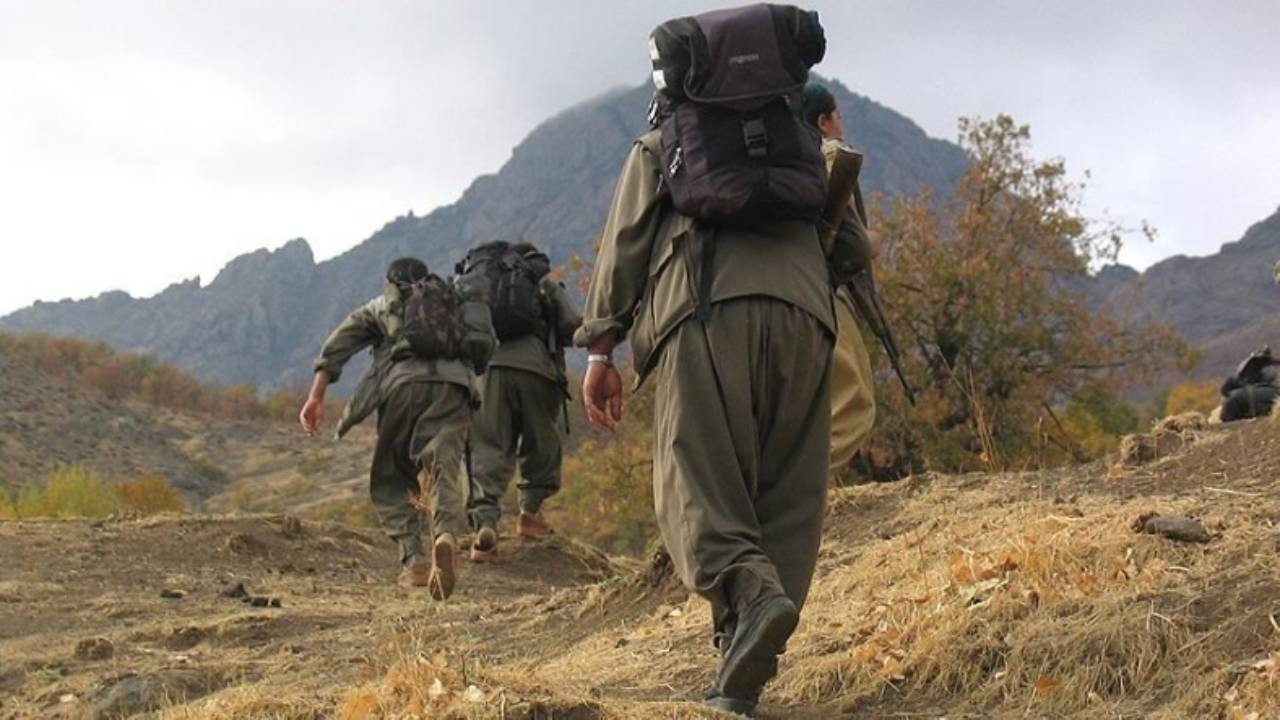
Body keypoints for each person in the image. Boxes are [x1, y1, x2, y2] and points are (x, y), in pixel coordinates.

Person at [577, 15, 847, 715]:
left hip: (704, 312)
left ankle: (750, 599)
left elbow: (624, 246)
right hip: (807, 321)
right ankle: (742, 669)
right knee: (786, 492)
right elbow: (852, 247)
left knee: (692, 479)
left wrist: (601, 347)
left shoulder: (665, 141)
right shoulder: (803, 140)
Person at [299, 257, 493, 599]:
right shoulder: (453, 302)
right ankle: (446, 534)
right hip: (454, 387)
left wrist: (316, 396)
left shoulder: (383, 305)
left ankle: (414, 559)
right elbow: (484, 345)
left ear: (390, 281)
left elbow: (337, 346)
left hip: (402, 387)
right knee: (442, 466)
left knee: (393, 474)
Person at [466, 242, 583, 561]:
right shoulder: (537, 276)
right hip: (536, 368)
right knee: (540, 441)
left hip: (487, 371)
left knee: (489, 445)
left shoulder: (482, 282)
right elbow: (572, 323)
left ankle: (484, 526)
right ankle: (530, 514)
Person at [802, 82, 878, 477]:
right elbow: (850, 247)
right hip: (821, 291)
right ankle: (800, 491)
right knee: (854, 405)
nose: (841, 122)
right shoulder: (830, 158)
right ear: (822, 121)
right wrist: (870, 241)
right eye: (837, 115)